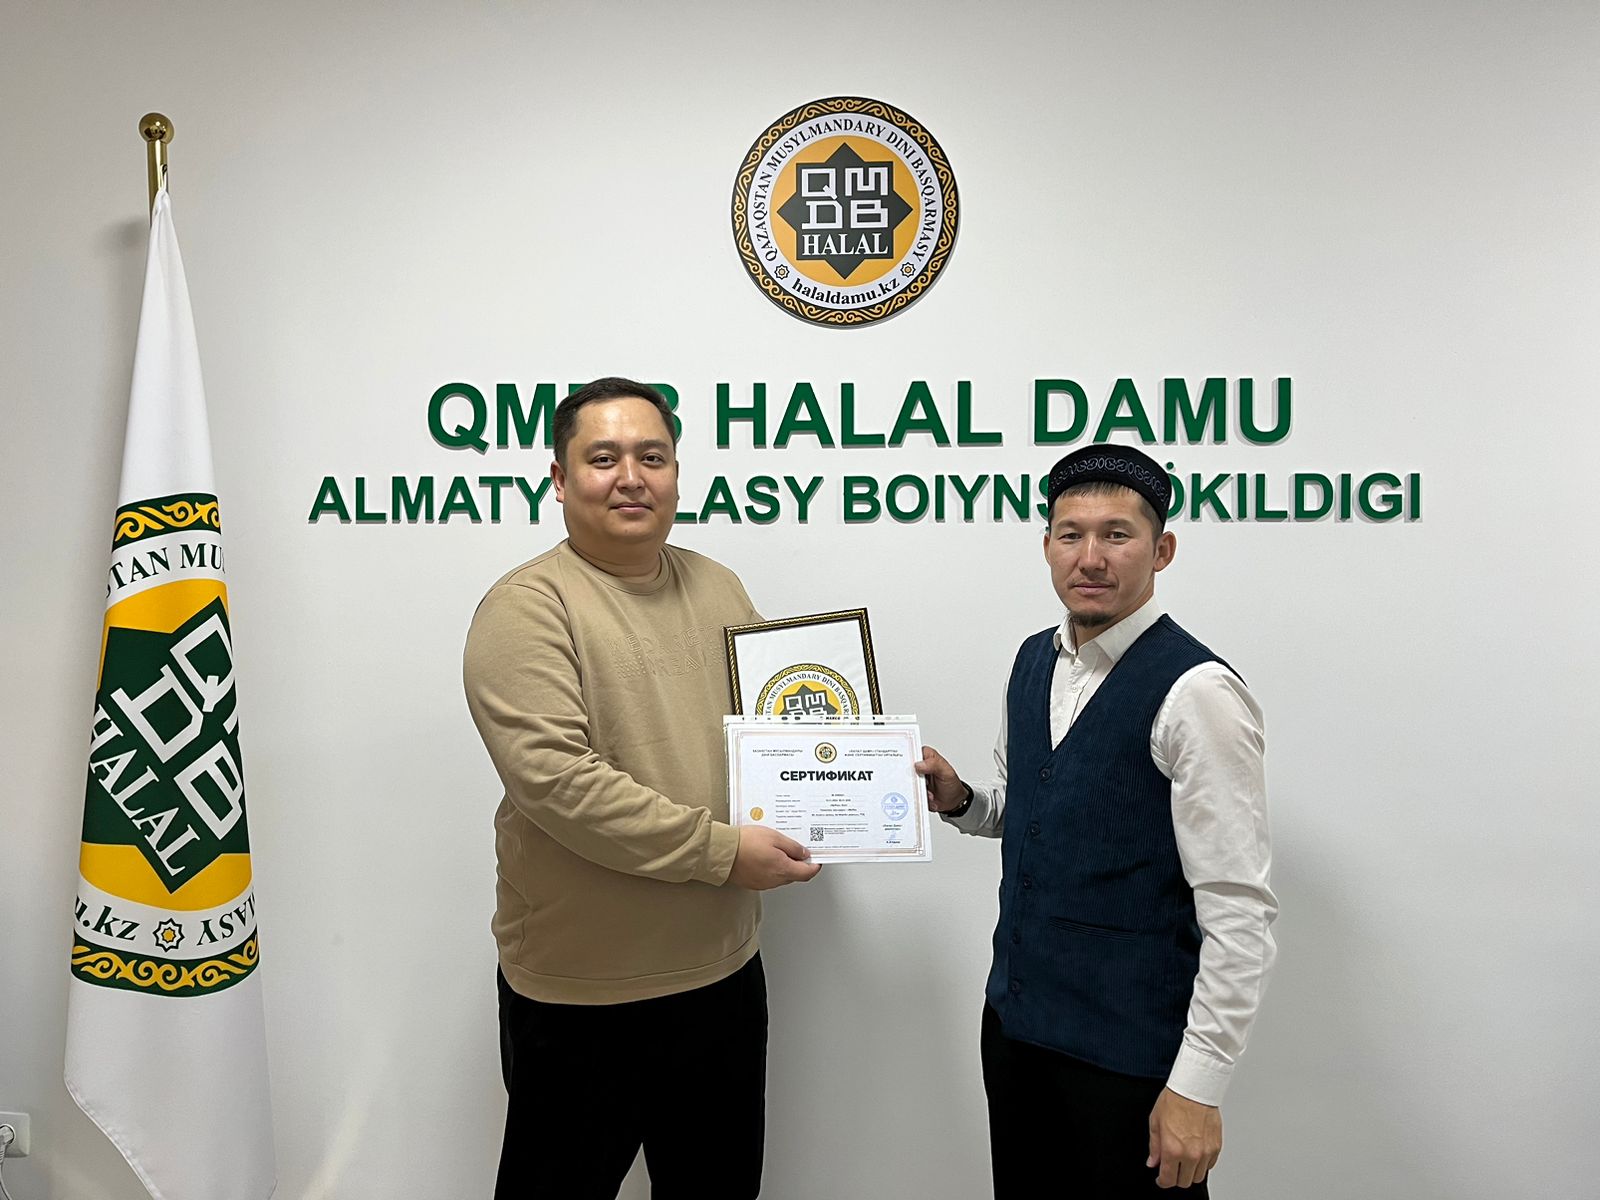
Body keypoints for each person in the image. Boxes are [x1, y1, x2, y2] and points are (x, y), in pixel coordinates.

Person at [463, 377, 821, 1199]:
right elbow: (560, 784)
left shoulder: (718, 585)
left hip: (723, 974)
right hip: (582, 993)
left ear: (676, 475)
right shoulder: (527, 608)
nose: (631, 477)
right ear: (559, 479)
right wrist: (721, 853)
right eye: (604, 458)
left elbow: (773, 731)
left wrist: (847, 784)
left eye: (651, 457)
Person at [917, 443, 1277, 1196]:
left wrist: (1198, 1087)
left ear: (1161, 550)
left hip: (1129, 1057)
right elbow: (1038, 810)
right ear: (1046, 545)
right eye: (1071, 534)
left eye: (1117, 535)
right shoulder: (1032, 661)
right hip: (1015, 1032)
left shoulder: (1198, 692)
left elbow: (1238, 911)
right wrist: (963, 802)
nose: (1090, 558)